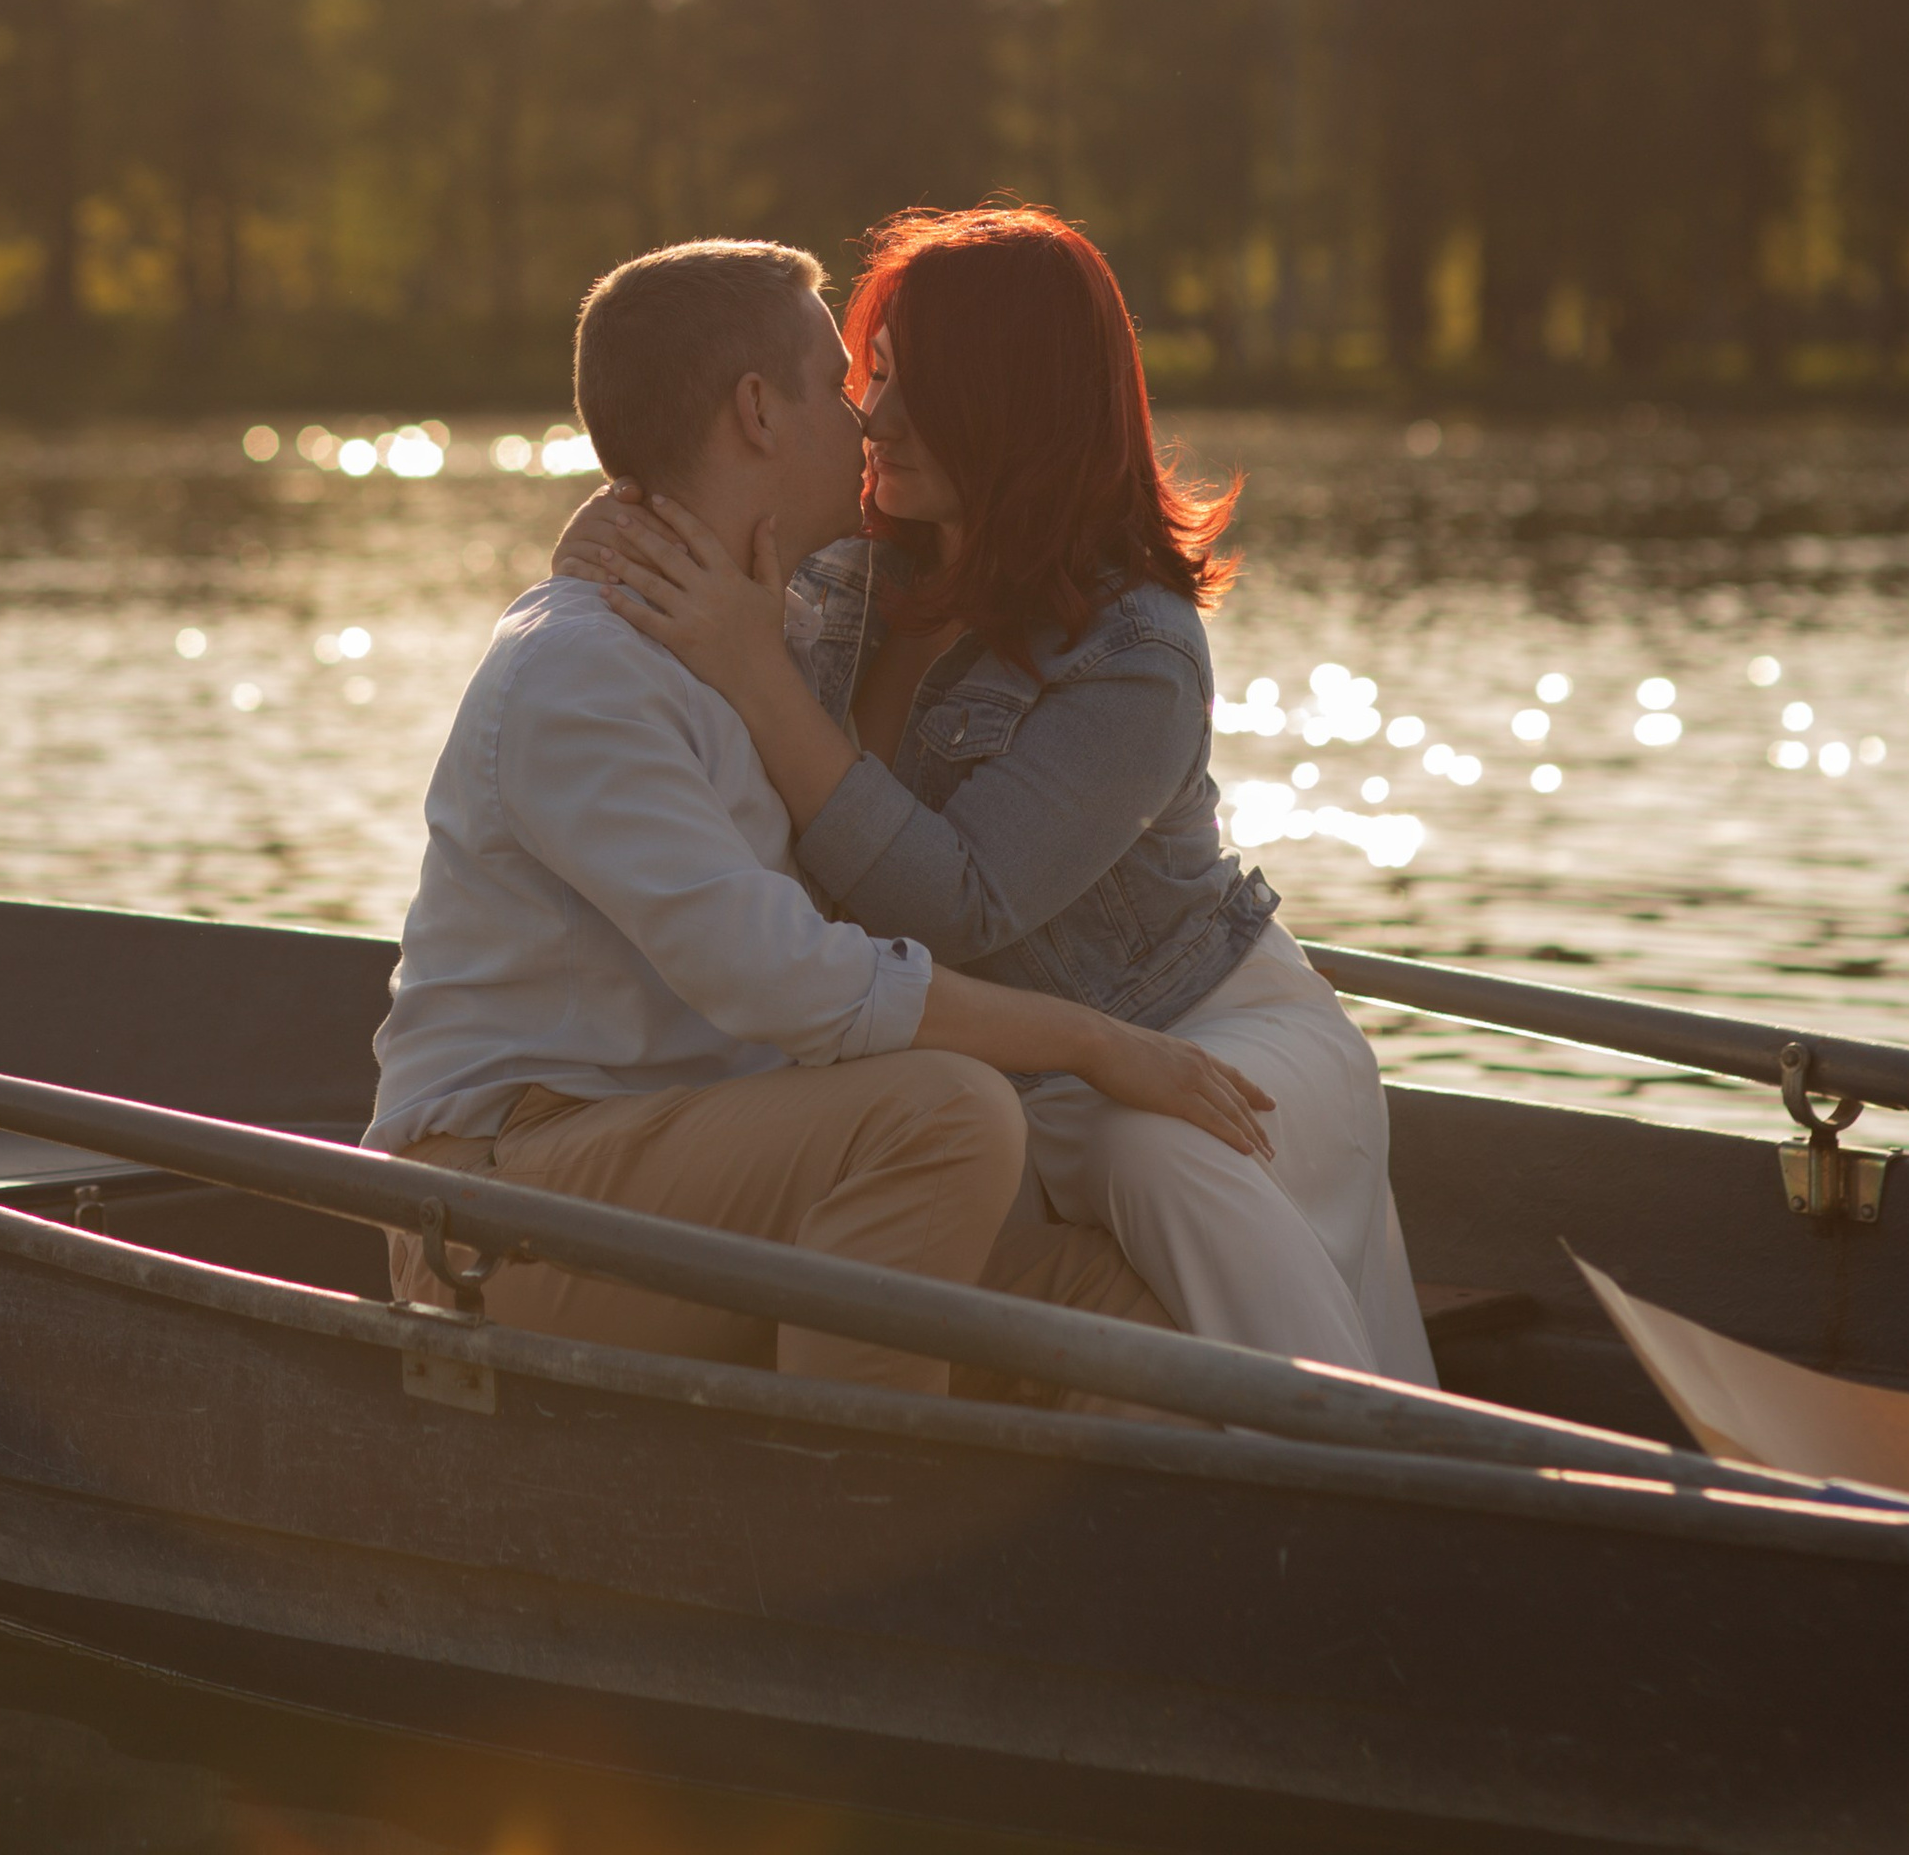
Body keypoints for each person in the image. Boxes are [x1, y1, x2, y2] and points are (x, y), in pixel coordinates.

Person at [368, 235, 1279, 1399]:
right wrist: (1095, 1041)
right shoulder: (583, 676)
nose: (867, 419)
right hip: (508, 1210)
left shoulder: (762, 629)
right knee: (947, 1114)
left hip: (721, 1158)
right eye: (843, 383)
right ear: (757, 409)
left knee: (1149, 1328)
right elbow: (784, 980)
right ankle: (851, 1499)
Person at [563, 204, 1437, 1384]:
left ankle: (1353, 1467)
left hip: (1196, 1034)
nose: (876, 415)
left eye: (926, 387)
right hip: (1000, 1070)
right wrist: (615, 533)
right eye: (870, 376)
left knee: (1151, 1156)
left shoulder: (1136, 648)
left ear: (1023, 407)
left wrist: (754, 671)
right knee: (985, 1146)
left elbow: (956, 905)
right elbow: (682, 524)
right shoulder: (851, 568)